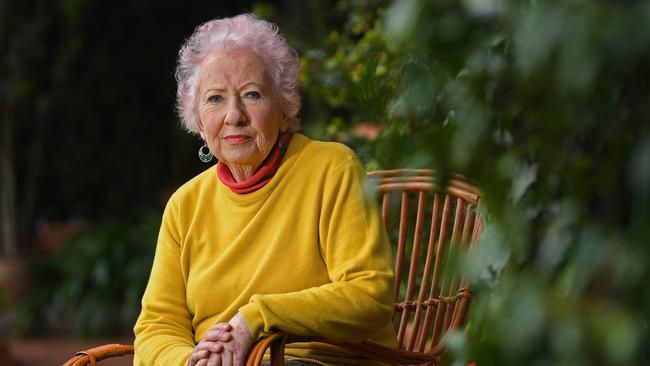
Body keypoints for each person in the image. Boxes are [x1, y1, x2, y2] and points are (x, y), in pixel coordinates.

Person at [133, 13, 396, 366]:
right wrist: (192, 362)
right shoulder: (186, 205)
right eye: (215, 99)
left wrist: (256, 319)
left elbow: (369, 296)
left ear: (284, 107)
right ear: (196, 119)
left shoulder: (332, 168)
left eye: (252, 95)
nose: (234, 116)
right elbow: (157, 325)